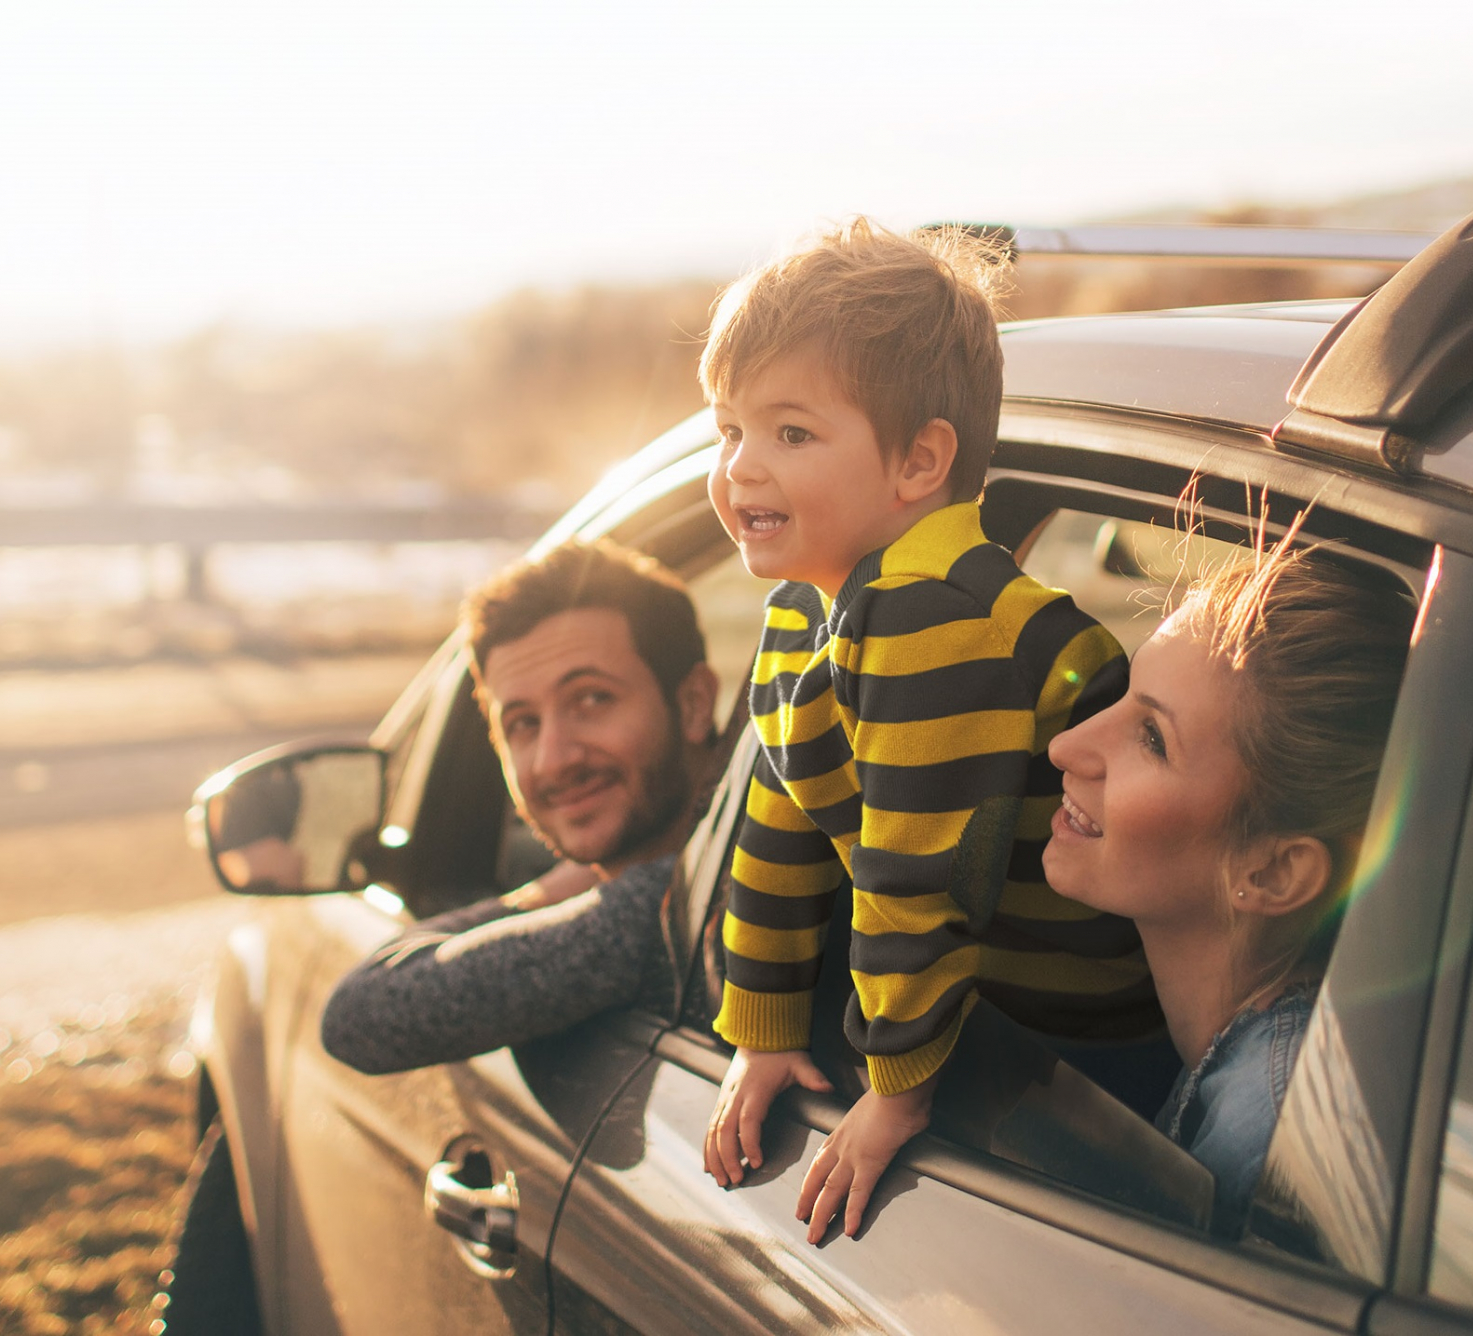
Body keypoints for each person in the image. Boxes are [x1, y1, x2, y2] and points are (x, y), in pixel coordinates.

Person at [699, 219, 1165, 1244]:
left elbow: (919, 878)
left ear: (917, 462)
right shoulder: (804, 609)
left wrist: (896, 1089)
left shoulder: (933, 618)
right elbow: (779, 834)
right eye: (726, 429)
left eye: (789, 433)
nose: (739, 469)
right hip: (994, 1026)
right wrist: (763, 1031)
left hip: (1082, 1057)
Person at [1042, 543, 1413, 1220]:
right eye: (1124, 694)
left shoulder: (1264, 1140)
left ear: (1271, 872)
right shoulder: (1261, 1064)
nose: (1066, 748)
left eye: (1152, 737)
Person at [319, 539, 724, 1074]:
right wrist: (571, 882)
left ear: (694, 703)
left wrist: (557, 891)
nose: (554, 760)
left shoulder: (693, 905)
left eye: (592, 699)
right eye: (523, 724)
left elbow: (362, 1016)